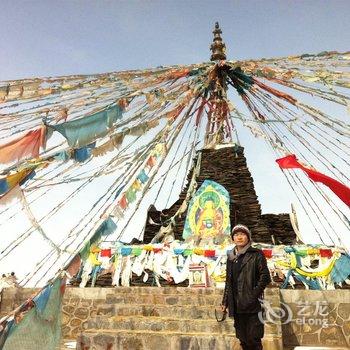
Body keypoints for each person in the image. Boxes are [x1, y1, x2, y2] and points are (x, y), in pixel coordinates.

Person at [221, 224, 271, 350]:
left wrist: (252, 296)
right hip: (237, 305)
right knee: (242, 339)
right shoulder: (231, 257)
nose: (239, 237)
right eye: (236, 235)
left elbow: (265, 277)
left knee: (253, 338)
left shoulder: (256, 254)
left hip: (252, 305)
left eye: (242, 234)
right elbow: (229, 281)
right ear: (233, 238)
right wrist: (225, 302)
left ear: (248, 237)